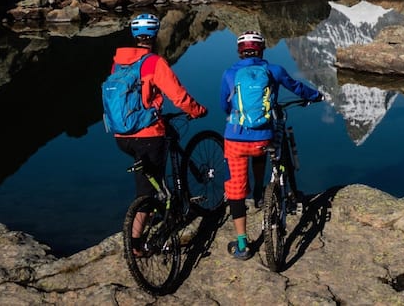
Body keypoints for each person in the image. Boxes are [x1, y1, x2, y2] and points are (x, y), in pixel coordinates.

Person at [219, 30, 322, 260]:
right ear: (262, 50)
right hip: (263, 138)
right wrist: (315, 96)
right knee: (267, 146)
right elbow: (296, 87)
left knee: (235, 189)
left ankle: (243, 244)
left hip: (235, 138)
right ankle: (262, 191)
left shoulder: (229, 74)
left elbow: (223, 104)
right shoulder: (273, 70)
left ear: (239, 51)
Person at [112, 13, 208, 255]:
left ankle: (156, 207)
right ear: (155, 34)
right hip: (147, 134)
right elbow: (178, 96)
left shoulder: (118, 62)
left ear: (134, 35)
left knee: (151, 175)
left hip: (122, 135)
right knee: (146, 191)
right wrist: (197, 111)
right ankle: (135, 244)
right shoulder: (154, 62)